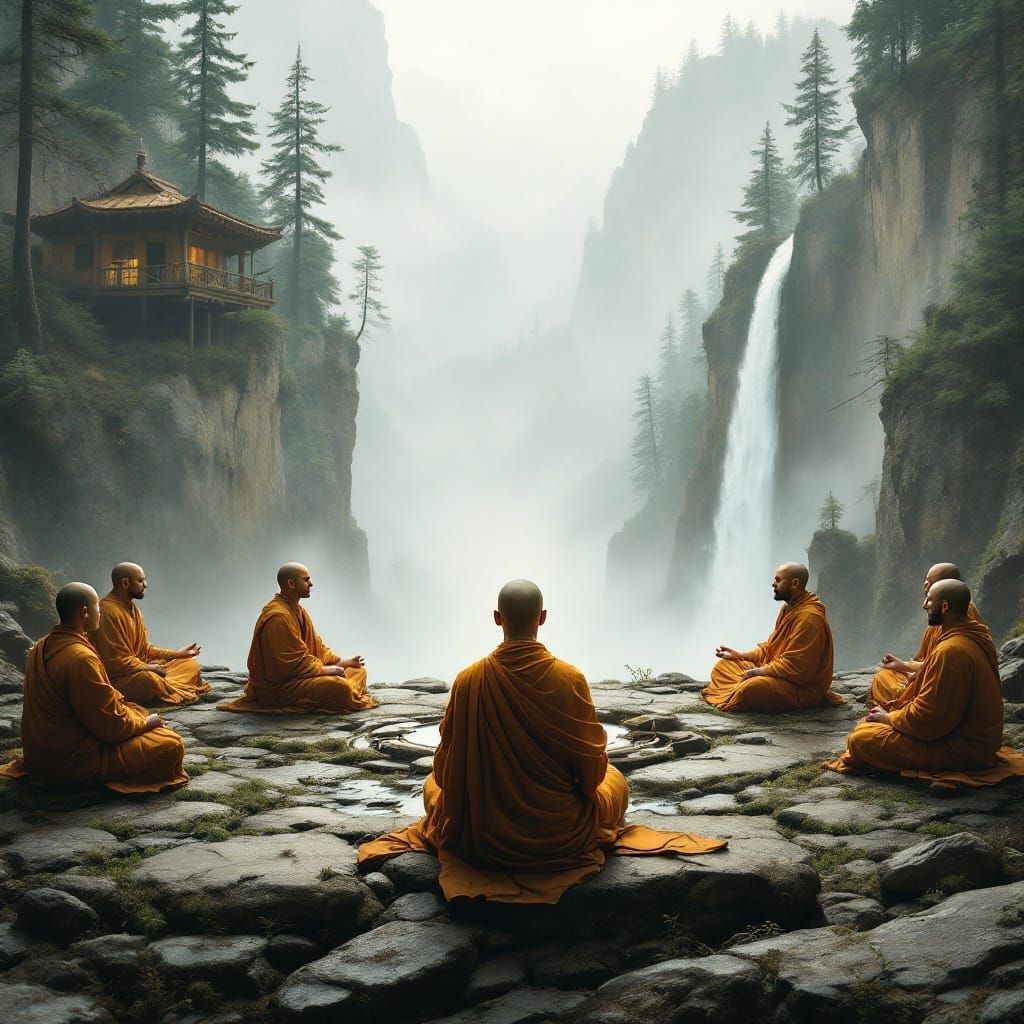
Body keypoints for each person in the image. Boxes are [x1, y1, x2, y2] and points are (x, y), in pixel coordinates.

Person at [358, 579, 727, 904]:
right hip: (559, 834)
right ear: (543, 617)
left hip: (480, 835)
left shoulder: (469, 679)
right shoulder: (569, 677)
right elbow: (590, 770)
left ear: (497, 618)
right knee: (616, 781)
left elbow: (446, 765)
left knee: (431, 786)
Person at [826, 579, 1024, 787]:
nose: (924, 605)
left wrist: (889, 718)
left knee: (860, 740)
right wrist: (913, 674)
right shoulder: (972, 635)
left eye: (929, 600)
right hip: (968, 738)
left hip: (961, 748)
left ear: (945, 606)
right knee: (877, 699)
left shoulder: (951, 650)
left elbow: (929, 719)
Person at [0, 583, 188, 792]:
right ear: (85, 612)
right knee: (171, 744)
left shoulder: (41, 645)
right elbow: (111, 727)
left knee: (136, 711)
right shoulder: (80, 658)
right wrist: (146, 723)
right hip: (71, 759)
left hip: (41, 753)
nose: (101, 612)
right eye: (97, 607)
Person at [218, 562, 375, 714]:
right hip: (281, 687)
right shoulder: (278, 618)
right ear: (291, 584)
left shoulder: (298, 611)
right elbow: (290, 666)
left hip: (304, 676)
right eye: (306, 579)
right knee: (340, 687)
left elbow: (317, 648)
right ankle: (348, 693)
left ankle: (346, 693)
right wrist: (329, 670)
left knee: (358, 670)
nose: (311, 584)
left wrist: (342, 662)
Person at [702, 562, 839, 712]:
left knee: (752, 688)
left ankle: (739, 691)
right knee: (723, 666)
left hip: (799, 687)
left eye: (778, 580)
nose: (773, 584)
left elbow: (796, 668)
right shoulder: (788, 609)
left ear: (794, 583)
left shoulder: (810, 618)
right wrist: (741, 655)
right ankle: (738, 688)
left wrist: (756, 672)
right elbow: (770, 648)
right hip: (778, 675)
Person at [91, 562, 208, 705]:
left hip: (139, 668)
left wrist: (178, 654)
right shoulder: (107, 612)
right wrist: (149, 667)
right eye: (140, 580)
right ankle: (165, 687)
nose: (145, 585)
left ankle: (164, 685)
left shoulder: (133, 609)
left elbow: (145, 649)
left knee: (189, 665)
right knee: (149, 680)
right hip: (118, 679)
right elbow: (115, 661)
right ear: (125, 583)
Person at [869, 562, 983, 706]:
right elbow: (931, 660)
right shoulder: (952, 615)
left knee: (883, 680)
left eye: (929, 583)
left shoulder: (957, 623)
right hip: (935, 679)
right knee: (886, 675)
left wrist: (909, 669)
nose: (925, 588)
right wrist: (906, 666)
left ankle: (893, 709)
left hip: (943, 696)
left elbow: (943, 666)